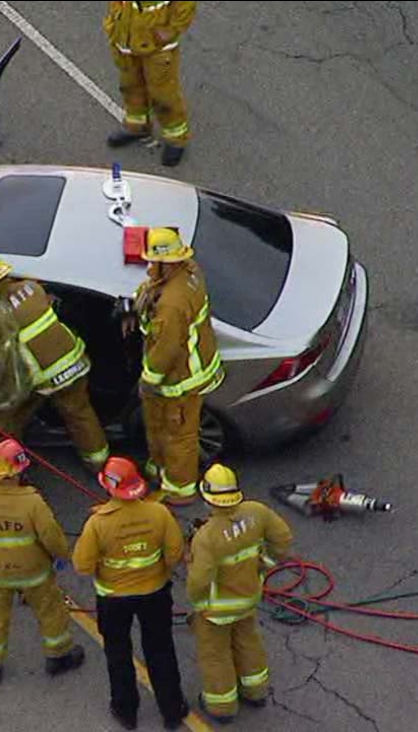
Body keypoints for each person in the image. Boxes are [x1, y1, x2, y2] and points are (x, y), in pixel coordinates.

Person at [0, 250, 110, 470]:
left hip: (41, 376)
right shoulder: (31, 288)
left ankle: (5, 467)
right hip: (72, 360)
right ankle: (99, 462)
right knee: (81, 413)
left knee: (10, 420)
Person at [72, 456, 189, 730]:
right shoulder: (159, 514)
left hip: (113, 600)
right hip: (156, 594)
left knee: (118, 653)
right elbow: (174, 555)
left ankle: (126, 712)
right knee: (161, 650)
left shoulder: (98, 524)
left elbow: (82, 566)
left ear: (109, 487)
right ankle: (172, 710)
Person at [0, 438, 85, 686]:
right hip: (35, 571)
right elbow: (52, 537)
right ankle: (58, 655)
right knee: (50, 610)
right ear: (19, 470)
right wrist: (63, 555)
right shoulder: (32, 502)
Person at [186, 463, 293, 722]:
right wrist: (264, 567)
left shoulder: (206, 537)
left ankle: (222, 707)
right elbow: (283, 539)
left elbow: (199, 580)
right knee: (248, 642)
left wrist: (200, 605)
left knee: (216, 655)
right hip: (249, 598)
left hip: (217, 610)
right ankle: (255, 691)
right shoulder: (257, 512)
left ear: (208, 496)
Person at [134, 227, 224, 506]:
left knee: (179, 436)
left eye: (154, 261)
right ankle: (160, 468)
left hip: (180, 380)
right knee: (163, 426)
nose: (150, 266)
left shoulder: (172, 304)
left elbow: (166, 347)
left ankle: (179, 490)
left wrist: (149, 379)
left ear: (166, 262)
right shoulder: (190, 272)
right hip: (188, 370)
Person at [103, 1, 197, 167]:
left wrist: (172, 30)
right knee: (131, 87)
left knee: (163, 96)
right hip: (126, 42)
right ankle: (137, 126)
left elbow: (185, 5)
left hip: (157, 48)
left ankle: (176, 139)